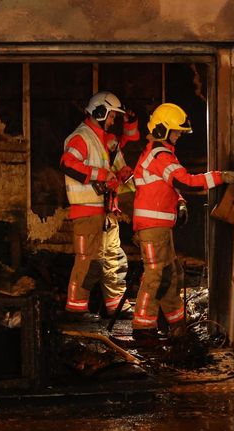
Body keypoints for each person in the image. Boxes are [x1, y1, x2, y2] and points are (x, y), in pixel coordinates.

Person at [130, 103, 234, 341]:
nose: (179, 135)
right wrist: (220, 177)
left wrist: (178, 202)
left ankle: (176, 325)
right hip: (153, 227)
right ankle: (143, 328)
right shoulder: (160, 154)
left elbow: (166, 186)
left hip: (159, 227)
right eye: (176, 131)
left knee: (172, 274)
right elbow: (185, 181)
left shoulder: (160, 153)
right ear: (162, 130)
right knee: (155, 275)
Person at [60, 91, 140, 321]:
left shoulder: (103, 139)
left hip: (106, 211)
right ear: (99, 112)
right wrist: (102, 175)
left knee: (113, 256)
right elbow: (67, 163)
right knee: (89, 259)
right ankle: (76, 309)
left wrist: (130, 123)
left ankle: (116, 305)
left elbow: (125, 145)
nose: (113, 121)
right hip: (87, 210)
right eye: (112, 117)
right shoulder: (81, 137)